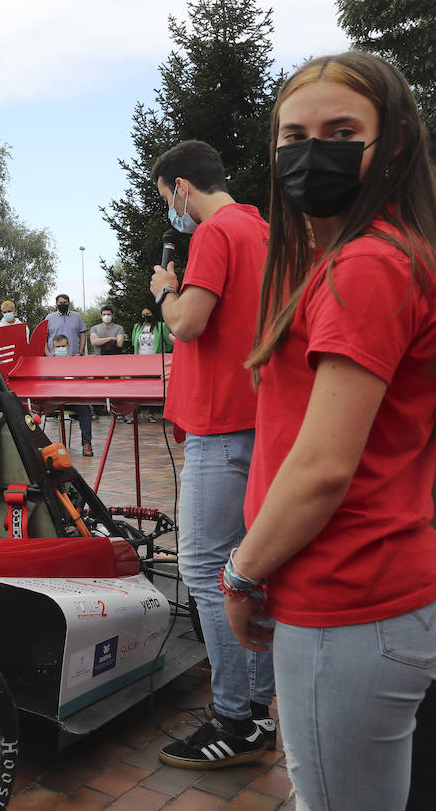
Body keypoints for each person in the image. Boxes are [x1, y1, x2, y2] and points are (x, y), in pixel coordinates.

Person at [221, 52, 436, 809]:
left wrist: (241, 573)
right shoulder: (355, 258)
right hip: (374, 597)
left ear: (395, 141)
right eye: (294, 136)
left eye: (342, 131)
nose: (312, 153)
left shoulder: (366, 267)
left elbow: (321, 466)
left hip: (348, 601)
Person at [147, 139, 275, 770]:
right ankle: (257, 706)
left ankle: (235, 718)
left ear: (181, 188)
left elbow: (190, 322)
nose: (169, 209)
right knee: (251, 569)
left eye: (165, 196)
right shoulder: (262, 229)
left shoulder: (216, 233)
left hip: (223, 428)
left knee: (202, 569)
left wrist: (166, 291)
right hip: (254, 420)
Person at [43, 294, 94, 457]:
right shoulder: (49, 318)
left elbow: (83, 334)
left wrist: (79, 353)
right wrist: (50, 356)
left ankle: (86, 444)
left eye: (65, 303)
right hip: (55, 400)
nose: (62, 305)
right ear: (56, 304)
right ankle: (38, 447)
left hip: (73, 398)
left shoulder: (76, 317)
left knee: (85, 409)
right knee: (35, 411)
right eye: (60, 303)